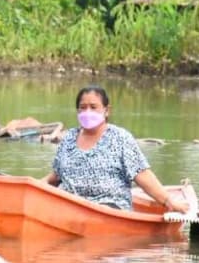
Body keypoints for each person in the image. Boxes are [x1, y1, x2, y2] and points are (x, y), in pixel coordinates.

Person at [41, 85, 191, 213]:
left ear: (106, 110)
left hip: (108, 208)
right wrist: (32, 186)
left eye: (93, 107)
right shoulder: (68, 138)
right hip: (68, 204)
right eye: (83, 108)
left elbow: (142, 175)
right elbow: (56, 176)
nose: (87, 112)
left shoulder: (120, 138)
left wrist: (168, 201)